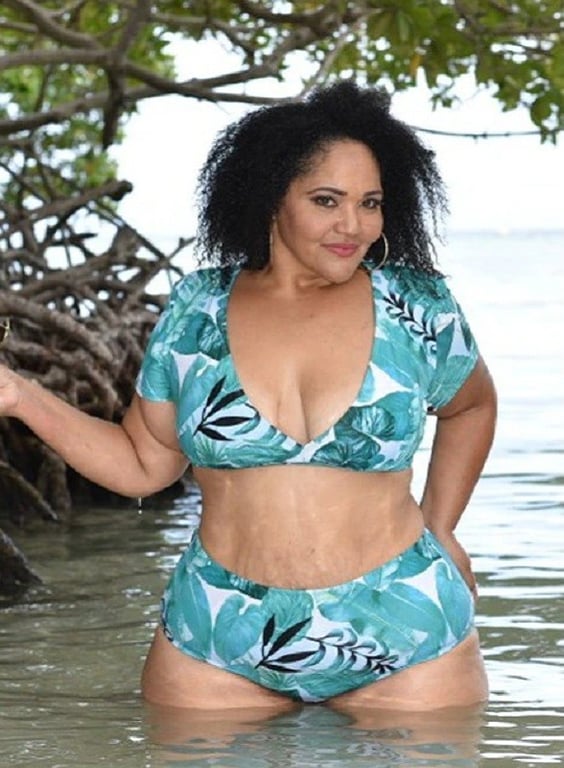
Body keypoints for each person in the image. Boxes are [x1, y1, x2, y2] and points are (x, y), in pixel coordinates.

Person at [0, 81, 496, 712]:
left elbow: (471, 405)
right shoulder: (197, 308)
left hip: (403, 625)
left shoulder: (416, 306)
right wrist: (18, 395)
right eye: (326, 200)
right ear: (270, 197)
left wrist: (442, 525)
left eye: (370, 203)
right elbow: (143, 464)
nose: (353, 225)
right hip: (219, 631)